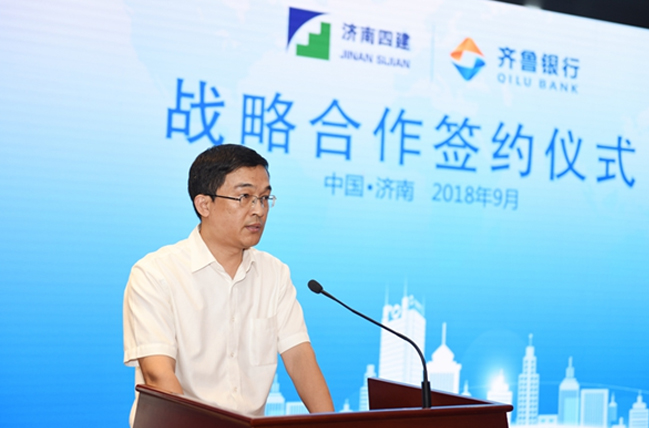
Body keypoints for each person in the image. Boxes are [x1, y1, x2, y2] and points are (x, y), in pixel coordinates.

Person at [123, 144, 333, 425]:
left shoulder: (274, 273)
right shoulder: (156, 273)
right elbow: (158, 375)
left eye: (264, 198)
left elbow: (300, 358)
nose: (258, 210)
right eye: (244, 197)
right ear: (204, 204)